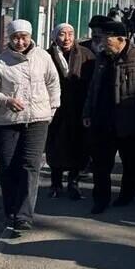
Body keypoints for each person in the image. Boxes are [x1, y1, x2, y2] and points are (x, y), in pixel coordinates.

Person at [0, 19, 60, 230]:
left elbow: (53, 83)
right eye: (16, 37)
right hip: (7, 122)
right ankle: (11, 211)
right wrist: (4, 100)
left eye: (24, 37)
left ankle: (24, 216)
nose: (20, 41)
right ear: (9, 38)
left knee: (30, 166)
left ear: (30, 36)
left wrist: (51, 110)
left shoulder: (43, 57)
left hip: (37, 120)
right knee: (8, 167)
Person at [82, 20, 135, 214]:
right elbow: (94, 87)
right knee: (101, 163)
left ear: (121, 39)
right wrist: (88, 111)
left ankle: (126, 195)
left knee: (131, 162)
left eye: (107, 39)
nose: (103, 43)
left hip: (129, 120)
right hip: (103, 119)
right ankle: (100, 199)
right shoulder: (102, 57)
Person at [45, 23, 94, 200]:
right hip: (55, 110)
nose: (66, 38)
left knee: (78, 146)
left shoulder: (86, 55)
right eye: (62, 34)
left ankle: (73, 183)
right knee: (55, 146)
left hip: (78, 109)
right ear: (54, 36)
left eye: (70, 34)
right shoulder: (47, 56)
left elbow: (92, 84)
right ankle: (55, 183)